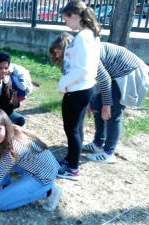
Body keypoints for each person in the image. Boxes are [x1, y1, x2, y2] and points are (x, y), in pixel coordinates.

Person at [50, 33, 149, 164]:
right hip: (111, 75)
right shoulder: (73, 58)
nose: (57, 56)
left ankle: (108, 152)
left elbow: (105, 79)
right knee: (96, 106)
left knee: (112, 113)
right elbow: (85, 81)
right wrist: (90, 102)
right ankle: (98, 143)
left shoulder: (87, 54)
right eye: (54, 52)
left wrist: (107, 105)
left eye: (59, 52)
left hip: (127, 72)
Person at [53, 1, 101, 180]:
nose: (66, 23)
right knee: (77, 128)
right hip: (84, 88)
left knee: (72, 129)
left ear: (75, 15)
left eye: (66, 19)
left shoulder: (83, 37)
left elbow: (83, 69)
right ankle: (71, 159)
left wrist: (63, 83)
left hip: (78, 89)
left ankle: (72, 169)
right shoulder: (90, 35)